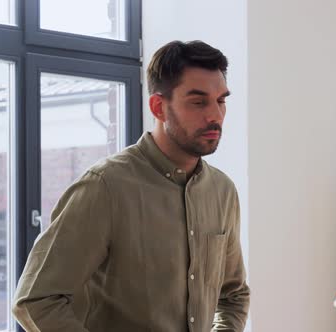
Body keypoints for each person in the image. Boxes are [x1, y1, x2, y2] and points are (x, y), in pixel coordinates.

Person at [13, 40, 250, 332]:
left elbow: (233, 295)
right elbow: (36, 299)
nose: (215, 115)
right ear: (158, 107)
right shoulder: (104, 187)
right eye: (198, 102)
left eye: (221, 100)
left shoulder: (222, 191)